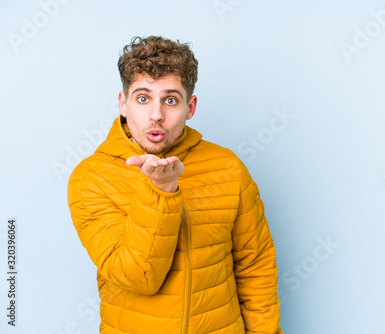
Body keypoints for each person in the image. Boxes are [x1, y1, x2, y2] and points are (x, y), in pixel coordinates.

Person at [67, 35, 283, 334]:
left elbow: (255, 266)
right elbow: (138, 278)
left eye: (170, 100)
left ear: (190, 107)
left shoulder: (228, 167)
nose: (156, 115)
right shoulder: (92, 177)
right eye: (143, 98)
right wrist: (161, 192)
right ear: (123, 104)